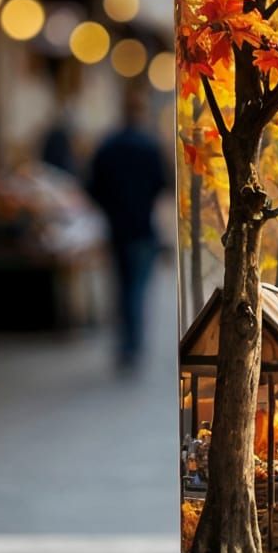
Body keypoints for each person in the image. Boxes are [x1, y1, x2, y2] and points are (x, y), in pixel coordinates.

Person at [88, 86, 169, 374]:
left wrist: (111, 207)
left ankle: (125, 343)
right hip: (143, 228)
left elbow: (93, 187)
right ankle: (133, 344)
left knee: (121, 287)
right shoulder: (149, 146)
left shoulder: (107, 145)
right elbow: (162, 183)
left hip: (116, 228)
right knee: (138, 288)